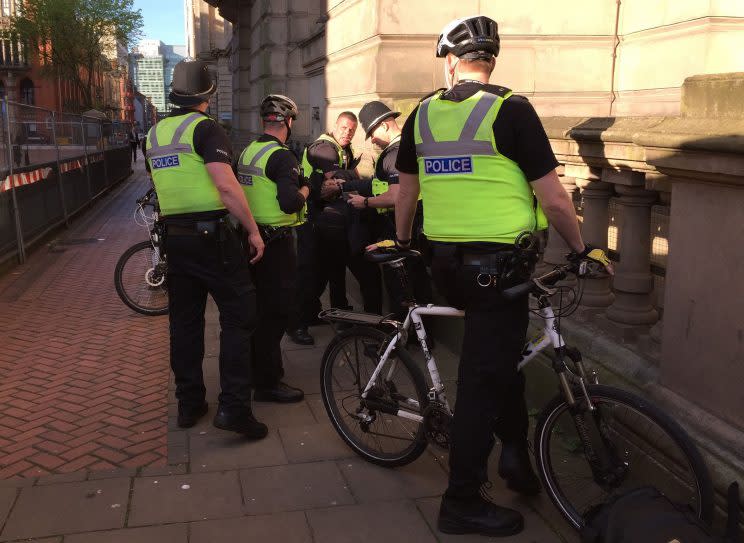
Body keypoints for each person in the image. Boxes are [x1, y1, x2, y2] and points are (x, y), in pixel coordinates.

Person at [390, 16, 613, 537]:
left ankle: (515, 455)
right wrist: (581, 249)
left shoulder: (419, 116)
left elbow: (406, 192)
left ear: (450, 61)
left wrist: (402, 245)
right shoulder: (510, 108)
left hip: (447, 265)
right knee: (481, 382)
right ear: (491, 62)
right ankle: (461, 501)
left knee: (500, 355)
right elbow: (554, 197)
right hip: (498, 270)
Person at [144, 59, 268, 439]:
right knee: (239, 315)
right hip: (212, 238)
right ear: (207, 98)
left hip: (175, 240)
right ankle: (233, 408)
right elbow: (227, 188)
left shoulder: (154, 135)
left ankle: (189, 403)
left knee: (184, 322)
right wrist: (253, 230)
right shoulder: (206, 129)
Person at [286, 111, 381, 345]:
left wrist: (347, 181)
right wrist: (359, 173)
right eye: (343, 128)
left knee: (334, 269)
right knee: (310, 273)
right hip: (310, 220)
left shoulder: (343, 150)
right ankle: (295, 324)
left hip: (330, 222)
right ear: (334, 126)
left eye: (352, 129)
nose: (347, 133)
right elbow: (335, 179)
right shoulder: (324, 148)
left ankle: (331, 313)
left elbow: (340, 183)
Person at [236, 94, 307, 403]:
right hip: (275, 244)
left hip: (251, 239)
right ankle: (267, 383)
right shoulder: (282, 156)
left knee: (258, 311)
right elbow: (289, 202)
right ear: (288, 122)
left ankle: (257, 371)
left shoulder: (249, 152)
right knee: (275, 313)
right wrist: (307, 188)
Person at [351, 101, 432, 319]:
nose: (372, 139)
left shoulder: (394, 154)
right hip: (415, 222)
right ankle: (422, 338)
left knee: (400, 284)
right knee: (416, 281)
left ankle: (401, 337)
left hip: (401, 225)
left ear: (386, 126)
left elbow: (397, 196)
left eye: (372, 132)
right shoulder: (407, 147)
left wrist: (365, 202)